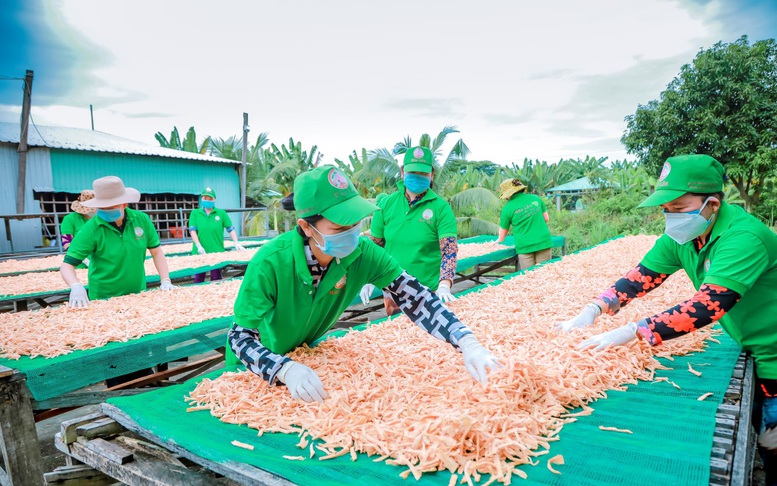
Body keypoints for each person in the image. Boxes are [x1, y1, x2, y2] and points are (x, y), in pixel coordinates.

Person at [556, 154, 777, 480]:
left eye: (679, 208)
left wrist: (633, 331)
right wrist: (594, 309)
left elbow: (710, 304)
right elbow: (641, 277)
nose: (671, 217)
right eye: (666, 209)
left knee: (770, 441)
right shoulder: (685, 236)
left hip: (774, 351)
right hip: (752, 342)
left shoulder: (744, 238)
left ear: (712, 204)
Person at [228, 165, 501, 403]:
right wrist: (284, 370)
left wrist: (466, 341)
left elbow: (416, 299)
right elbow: (239, 337)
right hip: (254, 369)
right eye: (339, 228)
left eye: (356, 224)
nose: (352, 234)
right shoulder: (271, 263)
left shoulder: (363, 252)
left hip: (307, 356)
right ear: (307, 227)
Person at [361, 146, 459, 315]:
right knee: (398, 335)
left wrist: (444, 284)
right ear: (402, 171)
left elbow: (449, 251)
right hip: (393, 291)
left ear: (432, 174)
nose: (417, 177)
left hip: (428, 291)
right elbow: (375, 246)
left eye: (423, 173)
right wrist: (368, 277)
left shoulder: (441, 208)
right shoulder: (386, 204)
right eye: (412, 172)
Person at [60, 176, 177, 309]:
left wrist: (165, 279)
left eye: (111, 207)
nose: (106, 211)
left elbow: (156, 252)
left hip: (139, 295)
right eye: (102, 208)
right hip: (104, 299)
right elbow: (67, 265)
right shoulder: (90, 229)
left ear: (124, 204)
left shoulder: (141, 220)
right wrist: (75, 286)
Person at [188, 187, 245, 283]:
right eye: (205, 198)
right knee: (199, 279)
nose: (208, 201)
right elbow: (192, 231)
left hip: (216, 252)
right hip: (200, 252)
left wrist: (236, 243)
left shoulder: (221, 213)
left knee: (216, 278)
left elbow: (230, 229)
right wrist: (198, 245)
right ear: (202, 199)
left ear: (214, 200)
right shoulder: (195, 213)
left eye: (210, 199)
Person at [495, 179, 552, 270]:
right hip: (543, 242)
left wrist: (496, 242)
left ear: (508, 194)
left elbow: (502, 235)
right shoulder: (536, 198)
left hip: (525, 246)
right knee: (543, 275)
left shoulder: (507, 208)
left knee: (528, 277)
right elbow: (546, 219)